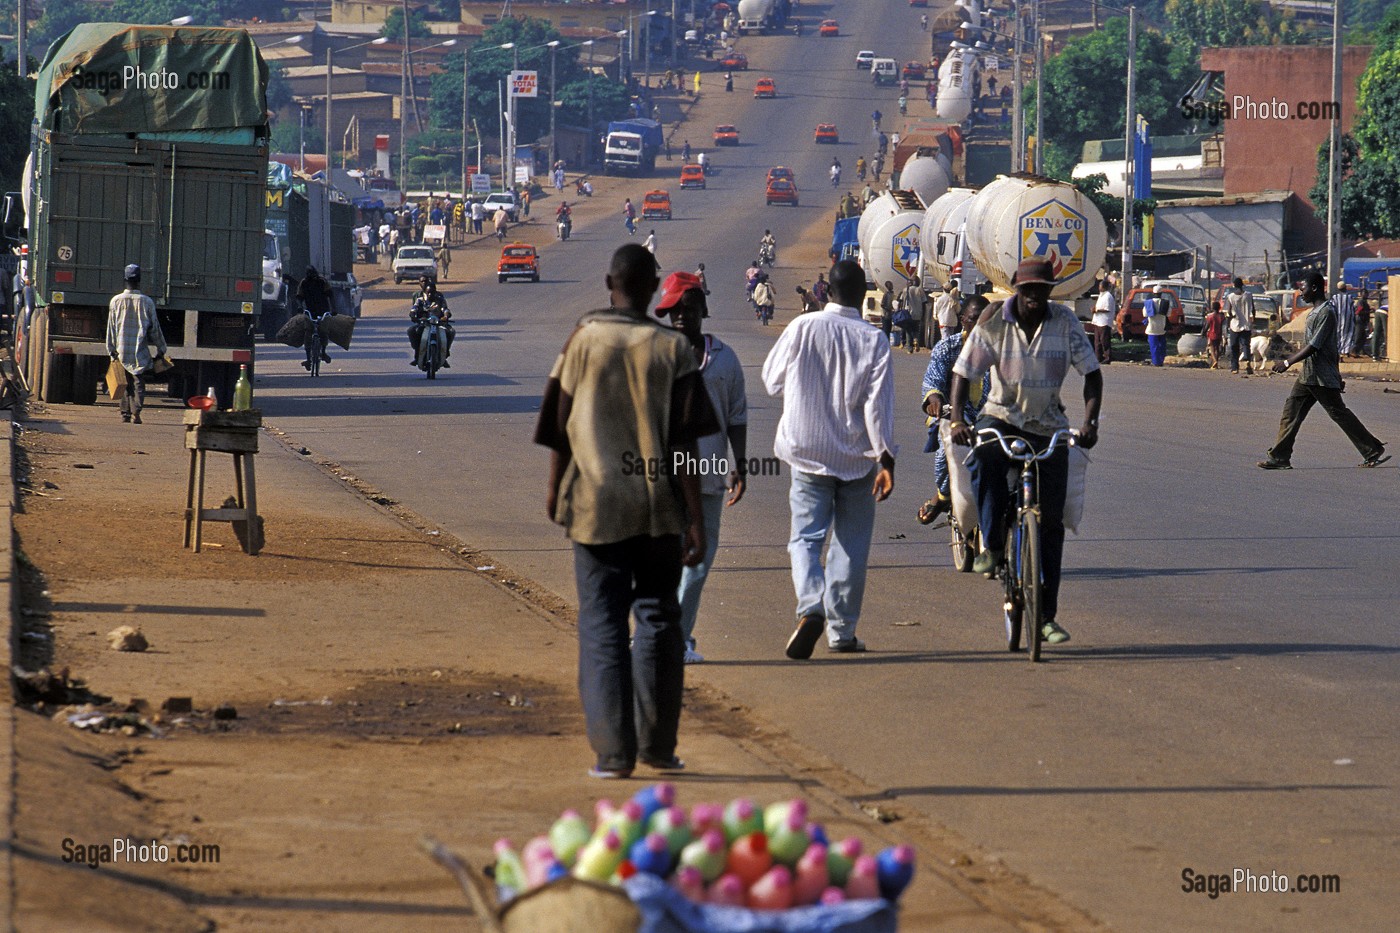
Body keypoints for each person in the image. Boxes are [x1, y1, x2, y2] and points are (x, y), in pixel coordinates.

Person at [534, 244, 720, 779]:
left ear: (608, 281)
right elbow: (685, 444)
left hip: (595, 508)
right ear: (652, 288)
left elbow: (560, 430)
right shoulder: (673, 350)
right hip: (658, 511)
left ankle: (613, 755)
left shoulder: (582, 341)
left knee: (602, 625)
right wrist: (695, 519)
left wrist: (554, 492)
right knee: (660, 619)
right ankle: (658, 748)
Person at [948, 257, 1103, 646]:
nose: (1035, 297)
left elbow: (1092, 375)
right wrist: (956, 420)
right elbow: (964, 372)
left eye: (1042, 290)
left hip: (1048, 424)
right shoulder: (993, 322)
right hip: (1000, 417)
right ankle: (994, 545)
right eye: (1028, 290)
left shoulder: (1065, 323)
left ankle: (1046, 617)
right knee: (983, 455)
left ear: (1051, 292)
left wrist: (1089, 423)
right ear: (1017, 289)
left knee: (1050, 527)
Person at [764, 260, 896, 658]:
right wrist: (886, 459)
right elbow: (877, 408)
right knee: (850, 545)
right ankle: (841, 633)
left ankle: (810, 607)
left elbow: (771, 381)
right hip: (856, 458)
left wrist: (804, 382)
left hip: (806, 452)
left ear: (828, 293)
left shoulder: (802, 327)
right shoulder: (874, 340)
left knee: (805, 538)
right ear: (863, 295)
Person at [657, 273, 749, 664]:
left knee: (697, 562)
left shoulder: (725, 359)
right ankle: (661, 636)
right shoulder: (655, 355)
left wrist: (740, 466)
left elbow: (737, 415)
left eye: (688, 308)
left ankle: (676, 638)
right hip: (659, 479)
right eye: (673, 310)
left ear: (703, 310)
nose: (680, 316)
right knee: (661, 564)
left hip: (709, 479)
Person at [1257, 271, 1388, 470]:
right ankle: (1280, 456)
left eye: (1303, 288)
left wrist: (1287, 362)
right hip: (1309, 375)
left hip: (1321, 376)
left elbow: (1314, 346)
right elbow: (1330, 348)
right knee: (1291, 411)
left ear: (1315, 288)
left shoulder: (1327, 312)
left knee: (1338, 413)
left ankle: (1371, 449)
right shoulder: (1314, 312)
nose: (1301, 293)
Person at [918, 293, 991, 523]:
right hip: (955, 415)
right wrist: (934, 400)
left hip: (993, 417)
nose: (980, 326)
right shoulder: (947, 348)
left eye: (986, 321)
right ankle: (943, 496)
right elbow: (933, 380)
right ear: (963, 320)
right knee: (945, 453)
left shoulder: (1002, 349)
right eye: (974, 319)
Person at [105, 263, 167, 424]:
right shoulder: (147, 302)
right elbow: (155, 329)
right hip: (140, 350)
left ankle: (124, 413)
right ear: (139, 280)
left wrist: (111, 350)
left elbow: (111, 329)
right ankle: (136, 412)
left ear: (125, 280)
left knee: (123, 382)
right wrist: (161, 349)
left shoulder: (116, 301)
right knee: (138, 381)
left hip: (121, 350)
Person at [407, 277, 455, 367]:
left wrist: (446, 316)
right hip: (424, 324)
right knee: (412, 331)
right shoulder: (420, 300)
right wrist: (413, 315)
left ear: (435, 292)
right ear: (425, 292)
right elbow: (414, 309)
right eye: (428, 292)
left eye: (432, 292)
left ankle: (445, 353)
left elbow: (445, 309)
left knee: (451, 332)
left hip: (438, 324)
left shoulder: (440, 300)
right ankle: (417, 353)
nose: (430, 294)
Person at [298, 266, 334, 369]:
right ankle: (308, 359)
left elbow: (331, 295)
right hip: (309, 311)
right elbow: (299, 297)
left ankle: (323, 352)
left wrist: (333, 309)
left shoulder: (322, 282)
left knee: (323, 331)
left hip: (323, 310)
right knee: (308, 331)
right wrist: (300, 307)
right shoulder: (304, 283)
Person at [1224, 277, 1254, 374]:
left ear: (1234, 285)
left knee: (1234, 346)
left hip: (1235, 325)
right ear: (1242, 285)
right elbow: (1253, 310)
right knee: (1246, 345)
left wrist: (1229, 319)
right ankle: (1247, 362)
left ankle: (1234, 367)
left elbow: (1229, 312)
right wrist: (1253, 320)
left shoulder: (1231, 296)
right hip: (1246, 325)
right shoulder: (1249, 295)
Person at [1090, 279, 1116, 363]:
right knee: (1097, 342)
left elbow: (1107, 309)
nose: (1099, 288)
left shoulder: (1108, 296)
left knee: (1104, 341)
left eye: (1100, 286)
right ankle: (1098, 358)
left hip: (1104, 322)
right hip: (1098, 321)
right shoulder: (1101, 295)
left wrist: (1097, 310)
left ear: (1104, 287)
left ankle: (1107, 358)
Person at [903, 275, 930, 352]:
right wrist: (923, 314)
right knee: (916, 329)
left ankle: (909, 348)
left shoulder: (906, 290)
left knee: (908, 330)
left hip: (908, 313)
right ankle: (916, 340)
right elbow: (924, 302)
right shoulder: (920, 290)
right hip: (918, 313)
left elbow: (902, 301)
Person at [1144, 284, 1167, 366]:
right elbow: (1169, 313)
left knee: (1154, 346)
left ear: (1153, 293)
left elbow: (1145, 314)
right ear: (1161, 294)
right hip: (1162, 327)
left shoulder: (1148, 303)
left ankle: (1156, 361)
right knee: (1162, 346)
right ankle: (1160, 361)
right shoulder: (1165, 303)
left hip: (1151, 328)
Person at [1204, 300, 1226, 368]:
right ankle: (1216, 364)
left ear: (1212, 308)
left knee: (1212, 348)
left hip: (1211, 334)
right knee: (1217, 348)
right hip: (1219, 334)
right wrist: (1225, 336)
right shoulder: (1222, 317)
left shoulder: (1210, 316)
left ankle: (1215, 360)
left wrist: (1203, 332)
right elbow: (1224, 327)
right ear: (1219, 308)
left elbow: (1207, 326)